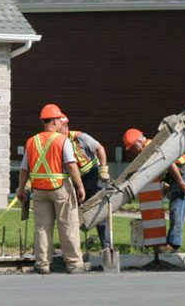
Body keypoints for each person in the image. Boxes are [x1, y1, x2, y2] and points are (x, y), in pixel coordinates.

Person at [16, 104, 87, 274]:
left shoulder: (32, 141)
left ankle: (42, 264)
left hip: (39, 190)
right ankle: (74, 264)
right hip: (60, 188)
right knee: (68, 224)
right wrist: (80, 186)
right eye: (60, 120)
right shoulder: (63, 140)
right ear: (55, 121)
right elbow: (71, 165)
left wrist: (20, 189)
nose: (61, 122)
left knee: (42, 227)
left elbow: (24, 168)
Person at [122, 128, 185, 253]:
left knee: (177, 210)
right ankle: (171, 242)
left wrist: (180, 182)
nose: (133, 152)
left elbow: (170, 163)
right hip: (181, 172)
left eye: (132, 148)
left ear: (137, 142)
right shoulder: (151, 145)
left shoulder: (150, 148)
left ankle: (173, 245)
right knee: (175, 209)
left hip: (183, 173)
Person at [58, 119, 111, 250]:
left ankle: (106, 245)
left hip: (93, 175)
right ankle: (73, 247)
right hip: (76, 180)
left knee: (100, 210)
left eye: (58, 130)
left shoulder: (80, 137)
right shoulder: (58, 142)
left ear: (64, 127)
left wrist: (103, 169)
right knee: (73, 213)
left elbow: (100, 148)